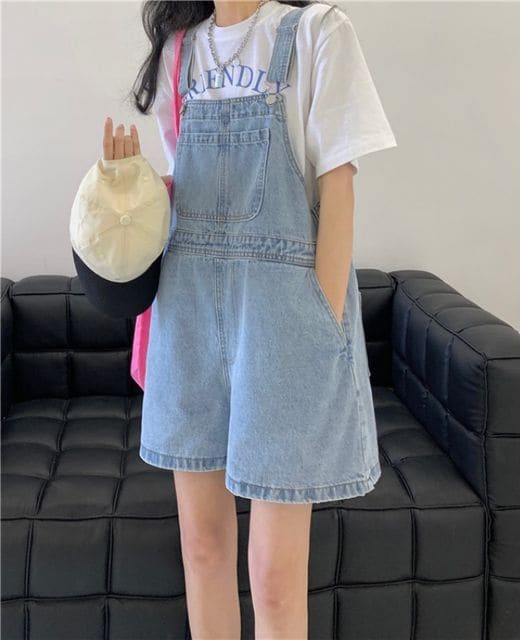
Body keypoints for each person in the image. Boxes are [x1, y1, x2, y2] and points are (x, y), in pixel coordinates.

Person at [105, 1, 398, 637]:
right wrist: (124, 191)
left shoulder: (317, 32)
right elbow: (180, 185)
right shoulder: (180, 50)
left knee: (274, 576)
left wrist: (321, 318)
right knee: (202, 547)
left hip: (282, 319)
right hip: (187, 313)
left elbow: (339, 183)